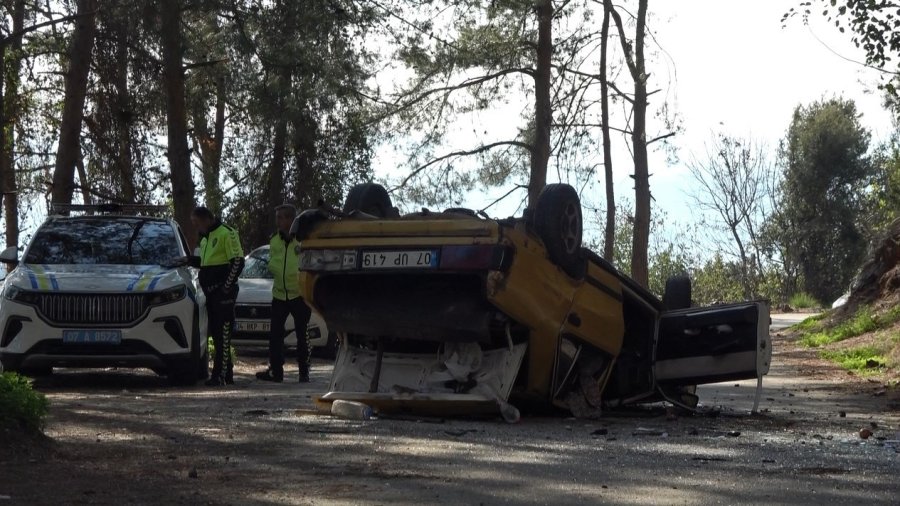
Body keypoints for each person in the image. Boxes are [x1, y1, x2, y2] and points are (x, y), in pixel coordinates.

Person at [255, 204, 313, 383]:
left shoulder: (303, 240)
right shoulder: (274, 240)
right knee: (275, 335)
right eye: (277, 218)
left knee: (302, 334)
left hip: (299, 294)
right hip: (279, 294)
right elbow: (273, 261)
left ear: (290, 219)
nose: (278, 222)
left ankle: (304, 371)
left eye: (281, 218)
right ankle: (276, 371)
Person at [189, 206, 244, 386]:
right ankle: (226, 374)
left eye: (197, 222)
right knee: (217, 334)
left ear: (206, 219)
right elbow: (207, 264)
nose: (196, 227)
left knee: (223, 334)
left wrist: (226, 287)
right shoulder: (206, 238)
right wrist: (188, 260)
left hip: (223, 294)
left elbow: (238, 261)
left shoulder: (226, 233)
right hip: (210, 293)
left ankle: (219, 375)